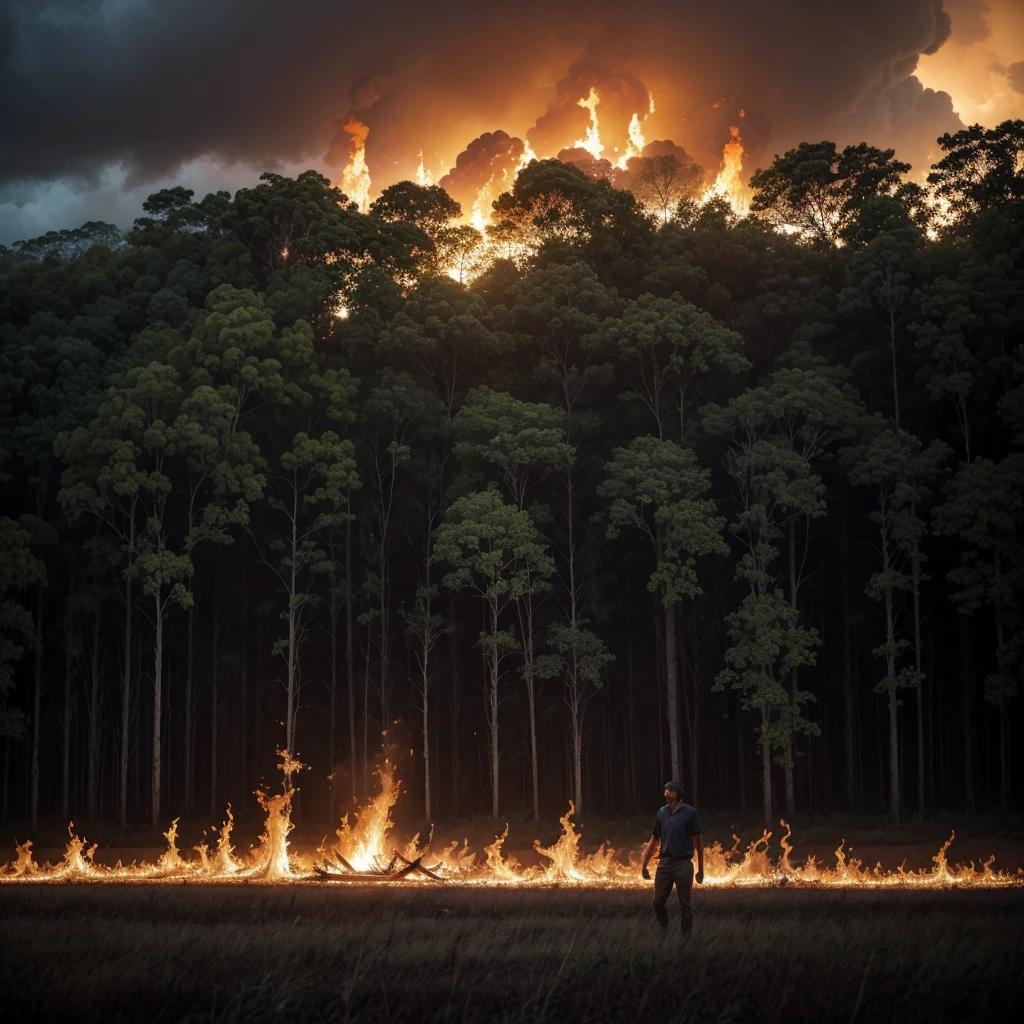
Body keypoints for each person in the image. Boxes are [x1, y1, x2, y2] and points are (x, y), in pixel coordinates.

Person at [640, 781, 704, 935]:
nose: (666, 793)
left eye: (669, 790)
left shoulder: (690, 813)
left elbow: (698, 841)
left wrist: (701, 870)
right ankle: (664, 931)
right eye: (665, 791)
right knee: (657, 903)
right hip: (665, 864)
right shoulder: (661, 813)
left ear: (677, 794)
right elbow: (654, 840)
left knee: (685, 905)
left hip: (683, 865)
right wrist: (644, 865)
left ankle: (685, 938)